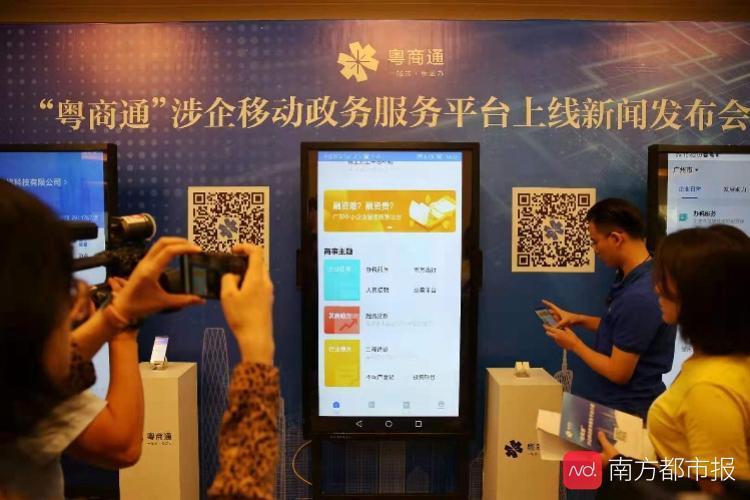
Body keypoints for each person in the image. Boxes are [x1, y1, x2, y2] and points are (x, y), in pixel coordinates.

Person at [0, 180, 280, 499]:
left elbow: (35, 384)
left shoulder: (15, 400)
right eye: (65, 289)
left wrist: (117, 316)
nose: (78, 300)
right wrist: (258, 350)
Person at [597, 225, 750, 496]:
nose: (657, 288)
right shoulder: (720, 362)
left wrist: (622, 470)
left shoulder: (709, 387)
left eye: (668, 280)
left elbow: (717, 490)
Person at [543, 198, 676, 419]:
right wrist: (577, 319)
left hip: (628, 412)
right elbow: (623, 329)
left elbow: (618, 372)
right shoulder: (638, 276)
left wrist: (575, 345)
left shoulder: (640, 296)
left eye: (595, 242)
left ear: (616, 238)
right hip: (618, 405)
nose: (595, 250)